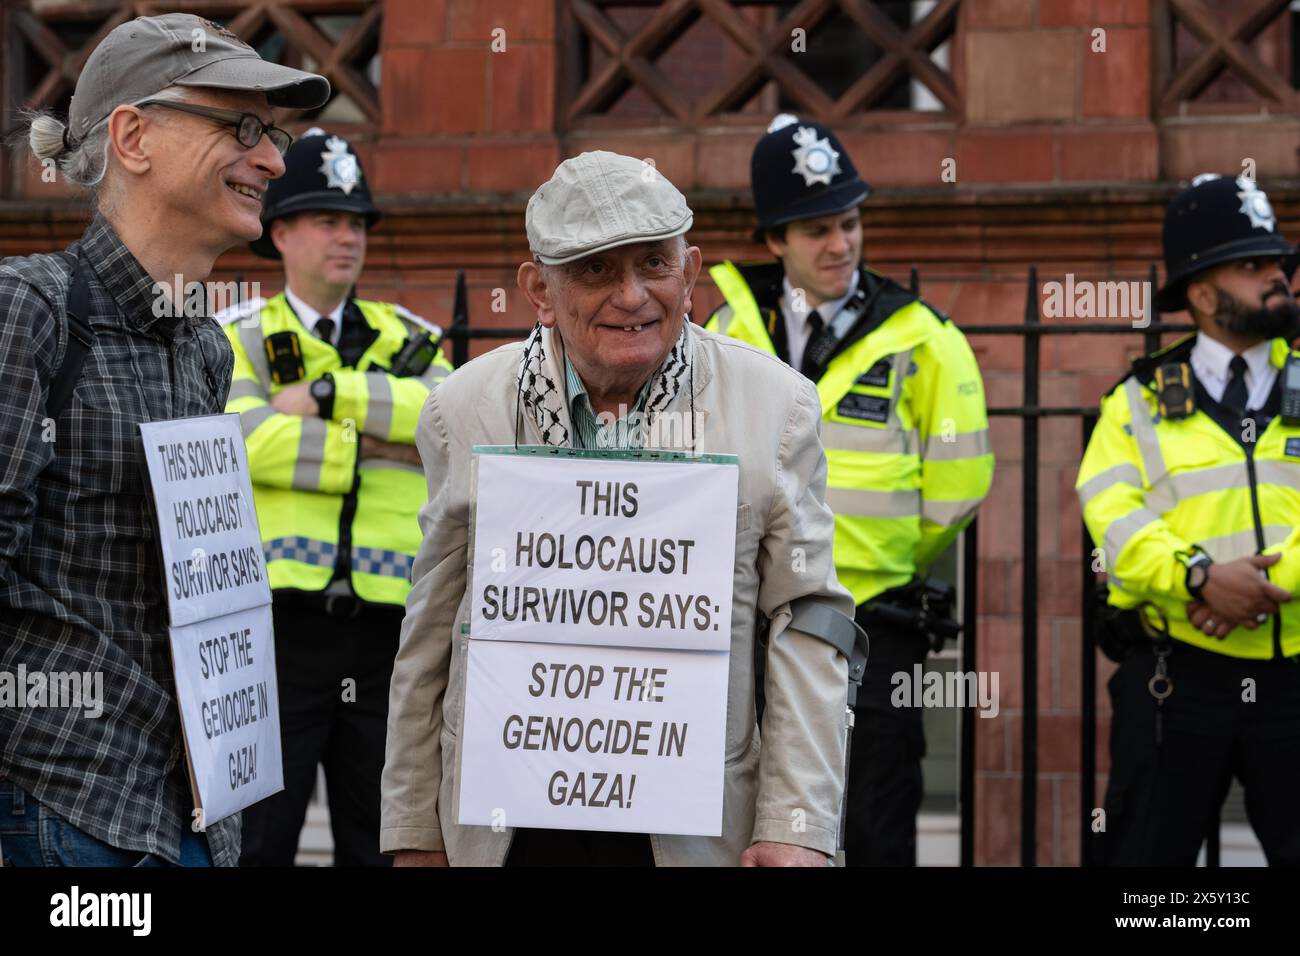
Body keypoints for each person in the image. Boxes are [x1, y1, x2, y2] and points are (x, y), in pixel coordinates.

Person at [381, 150, 858, 866]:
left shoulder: (775, 407)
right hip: (508, 828)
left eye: (654, 265)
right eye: (596, 269)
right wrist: (415, 829)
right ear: (538, 288)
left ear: (690, 272)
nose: (632, 295)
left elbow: (811, 618)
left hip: (693, 830)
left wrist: (795, 824)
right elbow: (432, 630)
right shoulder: (464, 410)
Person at [0, 13, 327, 867]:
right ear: (134, 136)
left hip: (189, 815)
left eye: (275, 135)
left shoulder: (206, 346)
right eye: (243, 127)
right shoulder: (27, 311)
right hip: (60, 808)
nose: (271, 160)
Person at [705, 115, 993, 866]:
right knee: (748, 830)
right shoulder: (722, 330)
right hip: (748, 623)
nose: (841, 244)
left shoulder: (924, 337)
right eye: (816, 230)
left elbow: (957, 489)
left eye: (850, 222)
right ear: (774, 240)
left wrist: (870, 559)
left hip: (873, 625)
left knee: (872, 828)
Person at [219, 131, 453, 866]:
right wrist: (380, 443)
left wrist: (327, 394)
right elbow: (244, 442)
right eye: (328, 219)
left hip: (392, 632)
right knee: (258, 840)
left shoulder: (412, 335)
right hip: (278, 631)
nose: (347, 236)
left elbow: (449, 431)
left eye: (355, 222)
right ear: (279, 232)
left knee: (383, 839)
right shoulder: (237, 337)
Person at [1077, 173, 1300, 865]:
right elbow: (1111, 515)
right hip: (1175, 674)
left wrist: (1266, 587)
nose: (1278, 280)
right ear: (1201, 293)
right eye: (1253, 266)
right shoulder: (1137, 401)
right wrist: (1198, 578)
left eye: (1279, 266)